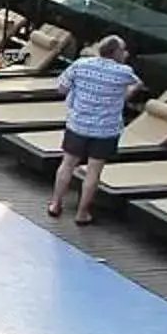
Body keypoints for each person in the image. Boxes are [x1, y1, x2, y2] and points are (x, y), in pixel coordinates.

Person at [47, 35, 141, 224]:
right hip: (105, 130)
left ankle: (55, 204)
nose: (126, 53)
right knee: (93, 172)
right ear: (116, 53)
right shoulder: (123, 72)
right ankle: (82, 214)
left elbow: (61, 89)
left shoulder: (81, 65)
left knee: (67, 165)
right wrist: (123, 96)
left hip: (78, 125)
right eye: (123, 50)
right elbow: (137, 83)